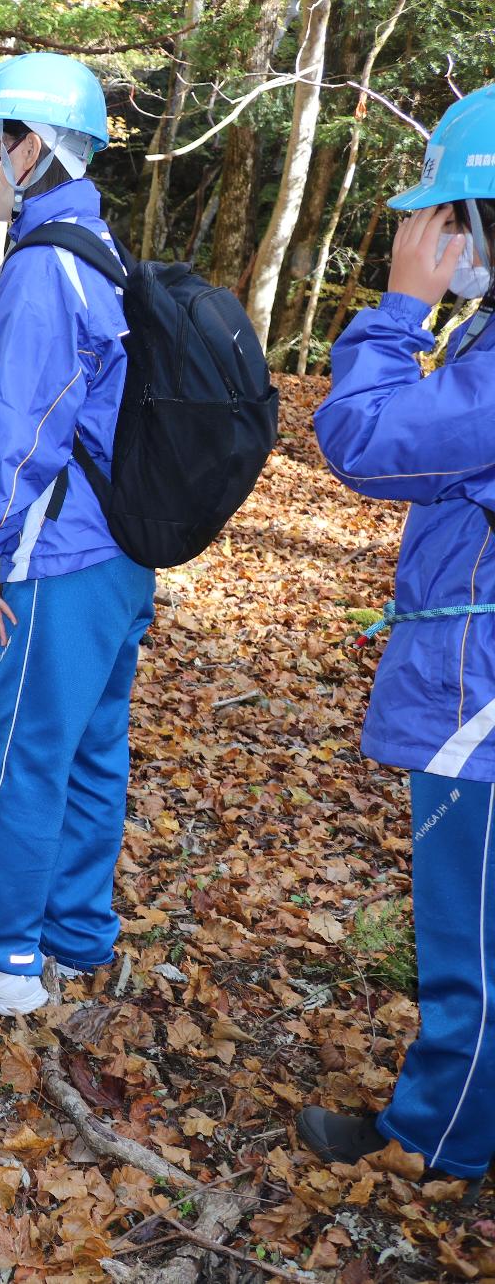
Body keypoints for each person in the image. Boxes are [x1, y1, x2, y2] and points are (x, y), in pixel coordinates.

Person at [304, 83, 495, 1192]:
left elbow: (365, 439)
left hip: (478, 694)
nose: (437, 240)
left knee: (467, 934)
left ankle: (442, 1134)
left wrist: (395, 308)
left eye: (453, 218)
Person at [0, 53, 154, 1017]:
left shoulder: (40, 269)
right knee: (93, 746)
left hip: (59, 552)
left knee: (21, 748)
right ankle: (78, 930)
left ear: (25, 146)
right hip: (122, 551)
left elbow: (21, 432)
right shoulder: (101, 250)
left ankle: (6, 959)